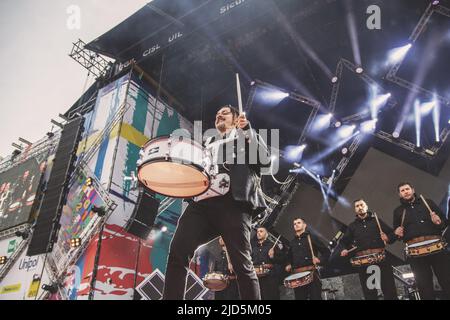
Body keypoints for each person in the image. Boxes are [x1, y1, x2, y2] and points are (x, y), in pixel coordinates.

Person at [163, 105, 271, 300]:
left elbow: (264, 162)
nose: (218, 114)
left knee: (241, 265)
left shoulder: (246, 135)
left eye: (224, 112)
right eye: (216, 113)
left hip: (233, 203)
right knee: (178, 252)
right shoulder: (208, 143)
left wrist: (247, 132)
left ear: (237, 118)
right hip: (201, 204)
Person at [393, 182, 450, 300]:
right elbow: (397, 235)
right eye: (402, 190)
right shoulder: (398, 211)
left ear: (413, 190)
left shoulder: (427, 202)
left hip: (437, 248)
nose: (406, 191)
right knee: (424, 286)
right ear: (399, 194)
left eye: (407, 189)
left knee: (447, 279)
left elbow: (444, 222)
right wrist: (397, 233)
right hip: (416, 254)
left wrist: (439, 222)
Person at [341, 199, 398, 300]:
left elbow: (391, 234)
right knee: (370, 293)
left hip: (381, 259)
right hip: (364, 263)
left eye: (361, 205)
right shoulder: (352, 226)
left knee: (389, 290)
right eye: (357, 206)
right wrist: (346, 249)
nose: (360, 207)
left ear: (366, 207)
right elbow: (344, 241)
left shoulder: (376, 221)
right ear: (355, 209)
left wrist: (388, 237)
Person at [285, 218, 329, 300]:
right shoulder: (292, 242)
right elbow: (289, 258)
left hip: (312, 274)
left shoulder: (312, 238)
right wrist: (288, 264)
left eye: (299, 223)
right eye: (294, 224)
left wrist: (320, 260)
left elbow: (326, 252)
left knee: (315, 298)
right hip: (297, 277)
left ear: (304, 225)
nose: (296, 225)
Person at [251, 227, 282, 300]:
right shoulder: (253, 248)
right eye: (258, 231)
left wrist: (272, 257)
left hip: (270, 277)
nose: (258, 233)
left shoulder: (272, 245)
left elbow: (281, 260)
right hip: (257, 277)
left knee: (272, 296)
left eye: (261, 231)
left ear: (266, 234)